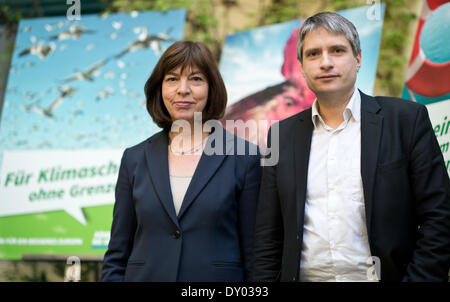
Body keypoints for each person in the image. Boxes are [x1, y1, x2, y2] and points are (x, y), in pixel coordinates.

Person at [252, 12, 450, 282]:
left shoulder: (405, 120)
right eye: (313, 54)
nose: (325, 62)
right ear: (301, 66)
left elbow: (440, 216)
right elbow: (267, 235)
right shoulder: (281, 135)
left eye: (337, 50)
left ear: (357, 59)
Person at [101, 40, 262, 282]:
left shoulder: (245, 158)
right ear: (160, 89)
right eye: (172, 79)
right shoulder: (134, 159)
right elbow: (117, 255)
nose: (183, 89)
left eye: (196, 79)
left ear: (211, 88)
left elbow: (256, 256)